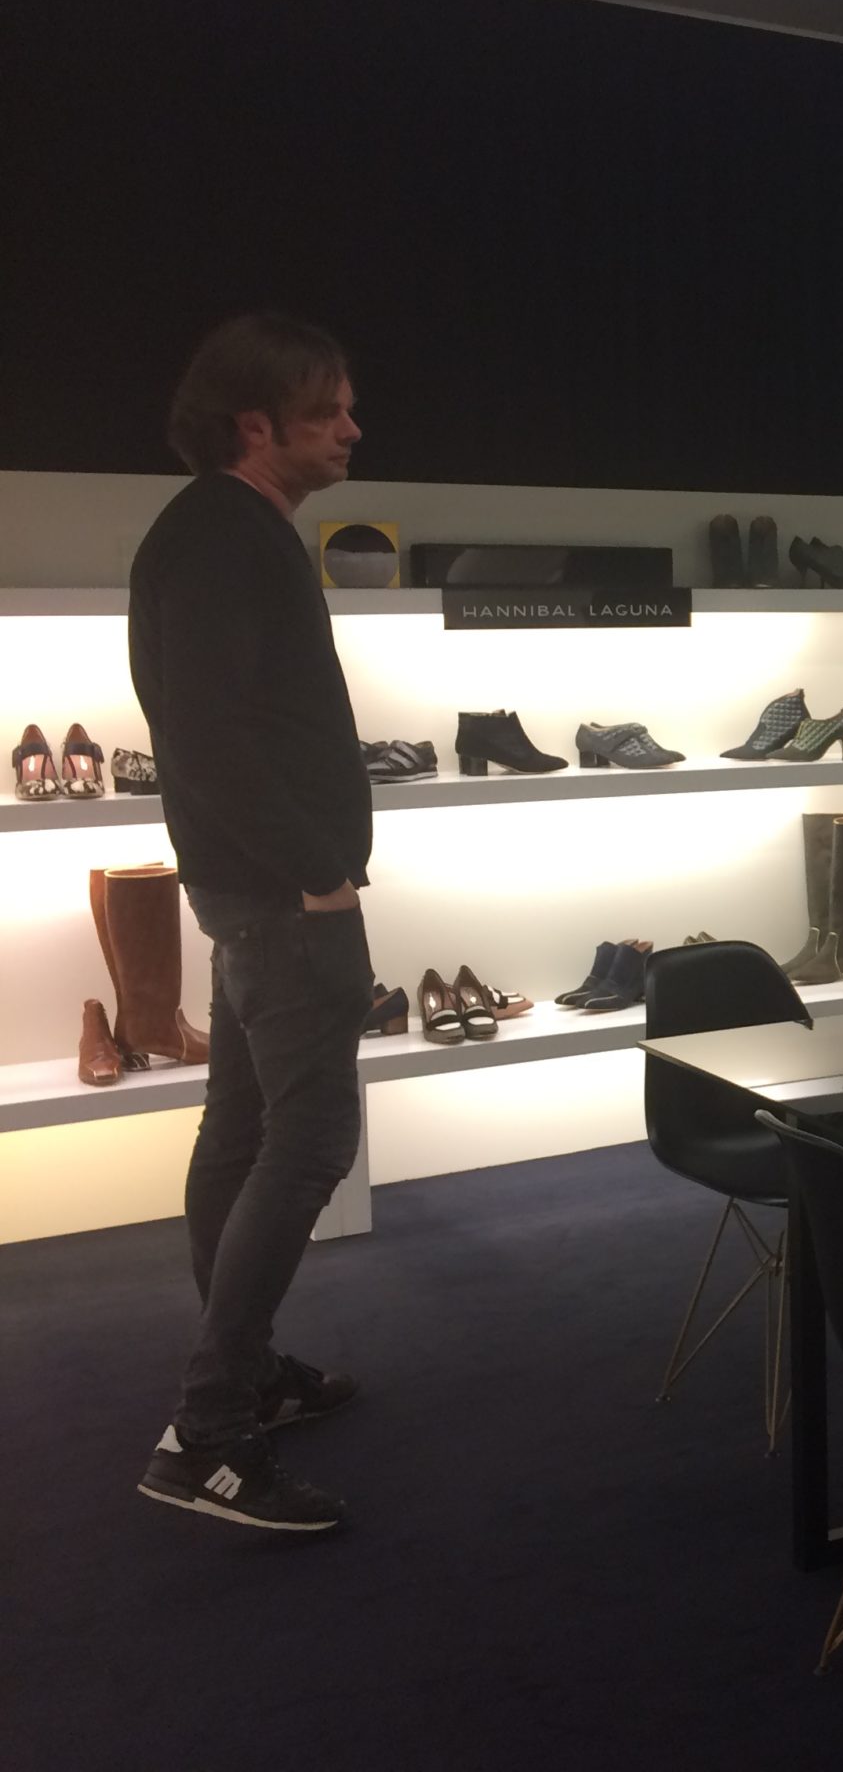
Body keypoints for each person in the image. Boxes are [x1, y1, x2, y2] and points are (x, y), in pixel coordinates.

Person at [130, 313, 375, 1533]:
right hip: (282, 897)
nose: (352, 429)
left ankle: (250, 1377)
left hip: (258, 889)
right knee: (310, 1138)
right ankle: (209, 1432)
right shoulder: (221, 537)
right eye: (328, 411)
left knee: (241, 1128)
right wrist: (317, 871)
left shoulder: (223, 532)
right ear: (254, 425)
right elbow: (206, 731)